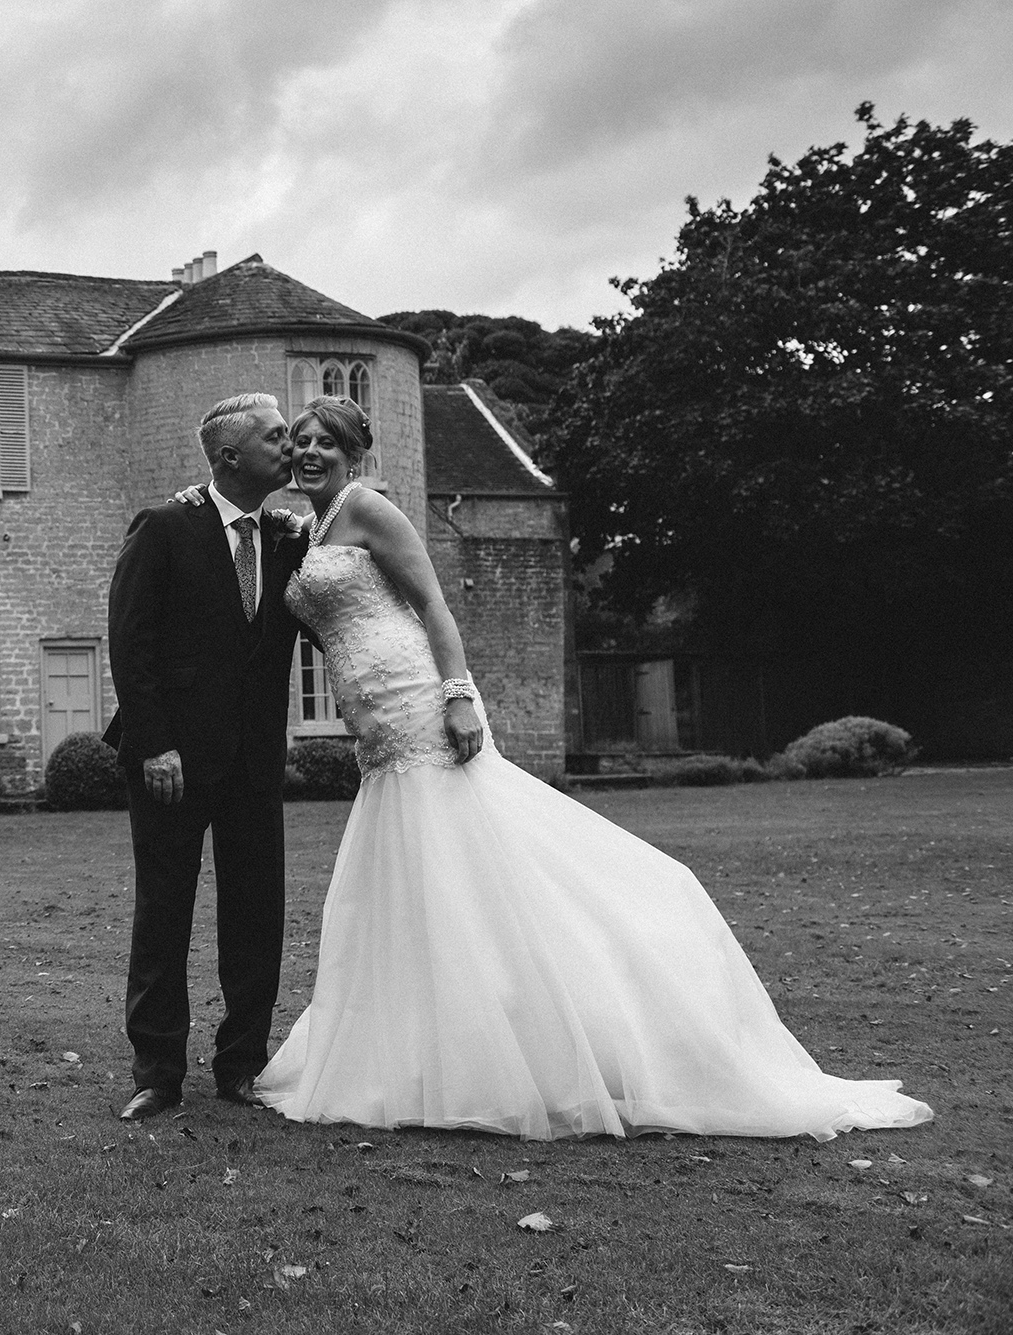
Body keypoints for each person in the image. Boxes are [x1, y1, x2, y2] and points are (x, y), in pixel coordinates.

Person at [245, 396, 932, 1139]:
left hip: (418, 703)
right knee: (412, 884)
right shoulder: (306, 528)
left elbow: (435, 606)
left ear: (354, 453)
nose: (309, 452)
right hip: (374, 728)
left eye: (325, 443)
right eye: (301, 442)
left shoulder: (371, 509)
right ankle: (421, 1049)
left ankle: (560, 1032)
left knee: (468, 866)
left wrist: (458, 696)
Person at [103, 392, 310, 1121]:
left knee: (257, 915)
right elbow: (131, 644)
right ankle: (157, 1073)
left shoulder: (289, 537)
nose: (291, 447)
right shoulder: (163, 527)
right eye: (276, 437)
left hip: (255, 761)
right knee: (165, 912)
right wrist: (155, 743)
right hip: (172, 761)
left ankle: (241, 1066)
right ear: (229, 456)